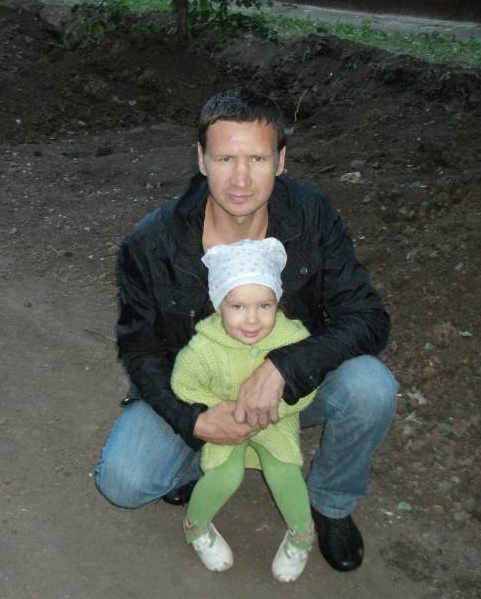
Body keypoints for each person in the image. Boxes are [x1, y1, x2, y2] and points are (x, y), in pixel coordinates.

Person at [95, 88, 397, 572]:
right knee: (124, 483)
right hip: (199, 387)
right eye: (225, 159)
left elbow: (368, 317)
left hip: (287, 393)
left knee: (371, 386)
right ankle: (203, 457)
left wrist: (285, 367)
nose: (240, 179)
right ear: (201, 159)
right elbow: (140, 349)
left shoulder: (312, 215)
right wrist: (192, 420)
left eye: (257, 158)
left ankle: (331, 504)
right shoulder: (151, 242)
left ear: (281, 161)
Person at [171, 237, 316, 582]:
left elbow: (308, 384)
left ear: (278, 302)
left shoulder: (293, 338)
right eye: (237, 307)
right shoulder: (205, 346)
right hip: (226, 421)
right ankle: (196, 525)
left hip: (275, 420)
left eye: (264, 306)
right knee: (225, 474)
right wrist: (214, 409)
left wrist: (278, 407)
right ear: (218, 305)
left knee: (285, 471)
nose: (252, 320)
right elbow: (183, 383)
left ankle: (301, 534)